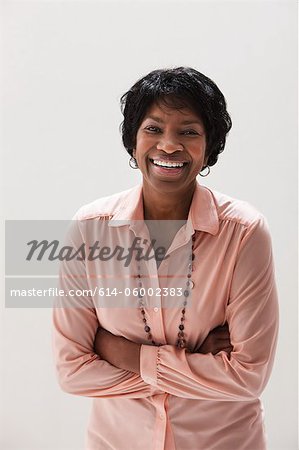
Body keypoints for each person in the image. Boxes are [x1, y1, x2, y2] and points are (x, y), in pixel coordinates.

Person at [52, 67, 279, 450]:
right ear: (133, 140)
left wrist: (119, 351)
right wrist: (194, 362)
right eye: (153, 129)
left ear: (210, 146)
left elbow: (248, 377)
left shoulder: (244, 232)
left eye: (188, 131)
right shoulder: (89, 229)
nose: (169, 145)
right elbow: (72, 372)